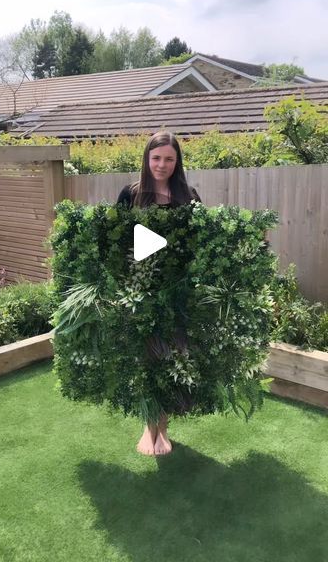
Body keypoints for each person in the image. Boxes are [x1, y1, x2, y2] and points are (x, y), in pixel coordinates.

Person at [116, 130, 202, 456]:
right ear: (146, 159)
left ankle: (162, 427)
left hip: (177, 292)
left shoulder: (188, 196)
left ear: (177, 161)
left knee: (171, 359)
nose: (161, 164)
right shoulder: (131, 194)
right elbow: (118, 240)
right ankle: (148, 426)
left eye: (168, 158)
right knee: (147, 360)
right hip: (141, 292)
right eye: (156, 158)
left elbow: (197, 245)